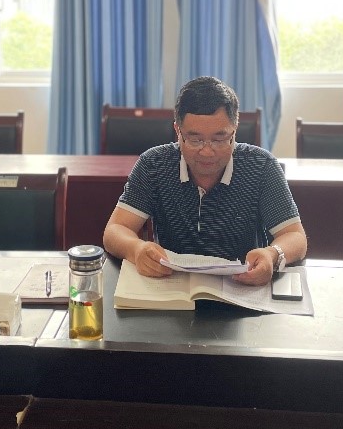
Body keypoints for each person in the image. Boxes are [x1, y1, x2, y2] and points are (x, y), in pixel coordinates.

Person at [103, 76, 307, 286]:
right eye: (195, 139)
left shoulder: (261, 166)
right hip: (171, 289)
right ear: (178, 131)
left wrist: (272, 254)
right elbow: (115, 229)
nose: (207, 151)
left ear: (235, 129)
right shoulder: (154, 164)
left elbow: (295, 236)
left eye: (219, 139)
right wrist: (136, 249)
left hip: (241, 289)